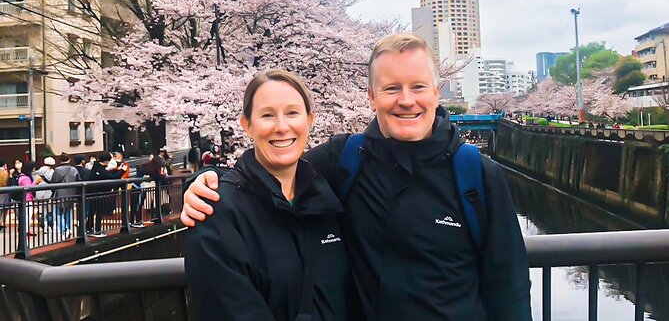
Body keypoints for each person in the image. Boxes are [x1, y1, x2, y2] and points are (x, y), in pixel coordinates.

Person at [182, 34, 532, 320]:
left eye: (418, 87)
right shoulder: (346, 159)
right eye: (392, 88)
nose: (406, 101)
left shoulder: (477, 175)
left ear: (437, 92)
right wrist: (207, 177)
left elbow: (510, 290)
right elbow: (274, 168)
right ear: (371, 96)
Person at [185, 69, 352, 321]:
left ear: (310, 120)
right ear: (247, 125)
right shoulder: (217, 210)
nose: (282, 127)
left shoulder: (326, 201)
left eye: (293, 113)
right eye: (267, 115)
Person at [89, 152, 125, 237]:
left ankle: (89, 229)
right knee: (98, 212)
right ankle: (97, 230)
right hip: (99, 193)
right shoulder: (100, 170)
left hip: (93, 193)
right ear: (106, 161)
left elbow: (107, 174)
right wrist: (122, 171)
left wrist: (117, 170)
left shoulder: (96, 167)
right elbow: (112, 177)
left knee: (93, 212)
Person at [51, 153, 81, 238]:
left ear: (60, 160)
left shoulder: (57, 170)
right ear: (69, 159)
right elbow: (78, 180)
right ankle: (69, 228)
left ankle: (65, 229)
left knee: (58, 213)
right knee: (69, 211)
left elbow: (53, 182)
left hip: (60, 193)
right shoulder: (74, 169)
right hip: (72, 193)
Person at [18, 161, 37, 236]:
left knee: (27, 215)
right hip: (27, 199)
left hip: (27, 198)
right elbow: (29, 188)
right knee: (27, 215)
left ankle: (26, 229)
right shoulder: (25, 178)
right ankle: (25, 230)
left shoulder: (22, 177)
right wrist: (36, 182)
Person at [0, 159, 9, 230]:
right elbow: (5, 183)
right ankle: (2, 223)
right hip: (4, 192)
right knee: (4, 207)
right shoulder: (4, 173)